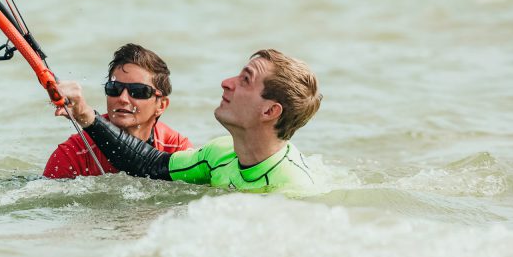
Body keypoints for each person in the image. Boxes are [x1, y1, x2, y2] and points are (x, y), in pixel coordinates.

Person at [55, 49, 322, 194]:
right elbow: (148, 164)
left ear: (269, 111)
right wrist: (86, 116)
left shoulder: (294, 187)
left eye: (244, 80)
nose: (226, 83)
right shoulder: (218, 153)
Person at [44, 44, 193, 178]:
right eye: (114, 88)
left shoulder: (176, 148)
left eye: (138, 91)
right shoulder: (72, 154)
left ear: (161, 105)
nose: (123, 98)